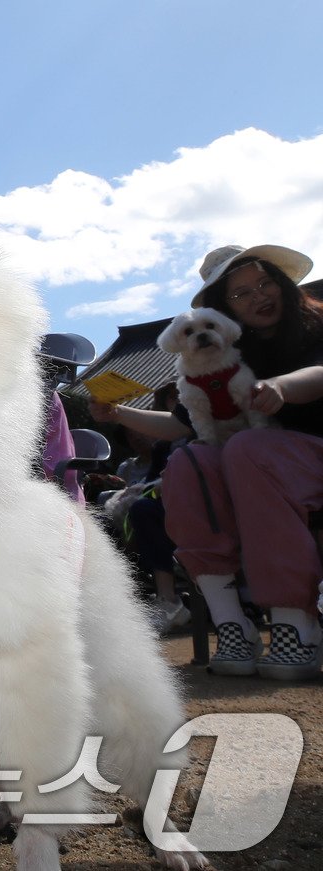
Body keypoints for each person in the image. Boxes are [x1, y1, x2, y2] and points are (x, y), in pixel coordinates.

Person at [90, 244, 323, 680]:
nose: (258, 296)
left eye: (265, 283)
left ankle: (296, 622)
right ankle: (230, 617)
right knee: (188, 463)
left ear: (282, 283)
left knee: (246, 449)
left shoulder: (316, 327)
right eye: (240, 294)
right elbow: (182, 423)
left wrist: (282, 388)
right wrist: (119, 413)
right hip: (258, 469)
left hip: (308, 453)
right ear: (223, 308)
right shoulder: (224, 353)